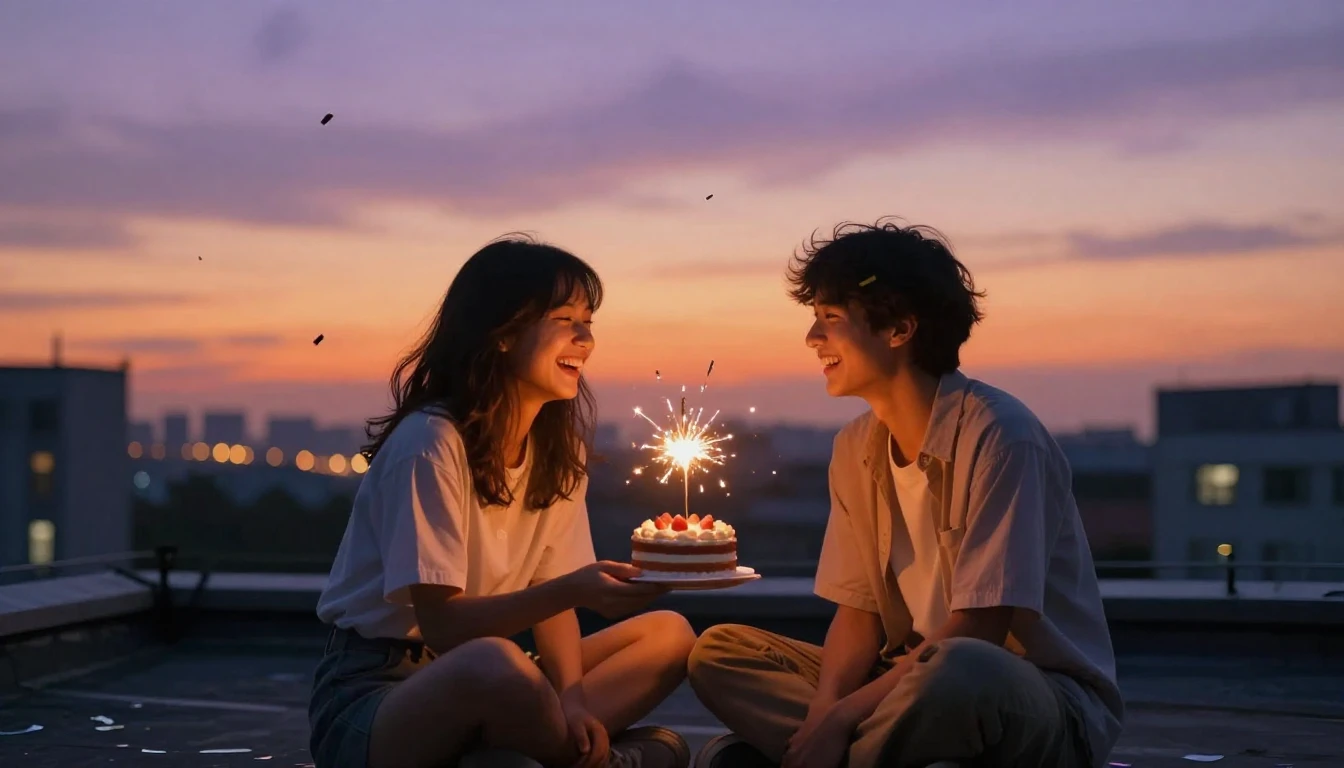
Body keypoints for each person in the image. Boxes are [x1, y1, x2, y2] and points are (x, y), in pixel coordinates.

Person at [687, 220, 1124, 768]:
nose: (812, 338)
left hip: (1027, 691)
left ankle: (819, 755)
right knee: (719, 651)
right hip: (902, 680)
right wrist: (824, 712)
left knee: (959, 667)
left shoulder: (1002, 437)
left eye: (831, 319)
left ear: (899, 329)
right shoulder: (855, 447)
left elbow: (982, 628)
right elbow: (858, 614)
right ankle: (871, 751)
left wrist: (842, 720)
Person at [309, 235, 695, 768]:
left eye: (589, 322)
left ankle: (524, 748)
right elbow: (443, 625)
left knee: (668, 634)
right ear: (504, 334)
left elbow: (553, 601)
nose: (586, 338)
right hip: (380, 692)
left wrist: (574, 700)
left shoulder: (557, 453)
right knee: (494, 663)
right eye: (565, 320)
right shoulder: (430, 443)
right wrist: (573, 589)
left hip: (498, 675)